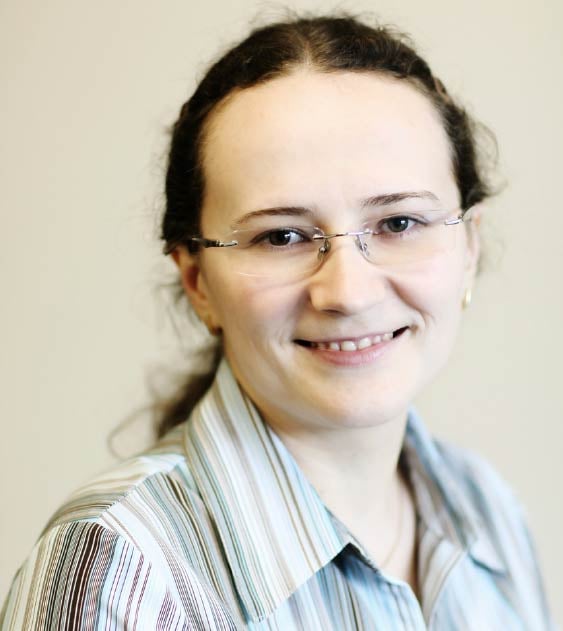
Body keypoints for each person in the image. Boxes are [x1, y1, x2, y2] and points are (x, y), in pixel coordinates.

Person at [1, 12, 556, 630]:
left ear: (469, 247)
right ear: (197, 281)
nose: (348, 293)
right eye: (282, 236)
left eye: (398, 223)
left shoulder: (488, 513)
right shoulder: (120, 574)